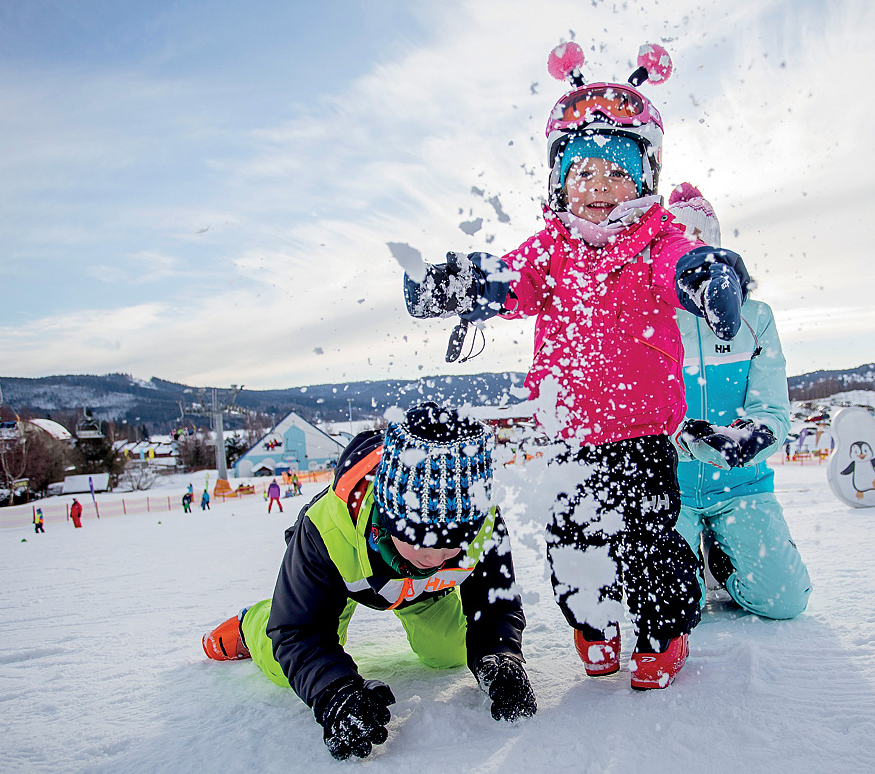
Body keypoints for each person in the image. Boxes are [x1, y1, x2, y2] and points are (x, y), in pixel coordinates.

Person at [403, 42, 751, 689]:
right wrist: (460, 283)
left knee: (648, 544)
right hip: (568, 436)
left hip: (642, 436)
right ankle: (594, 626)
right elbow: (509, 279)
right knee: (573, 543)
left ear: (645, 180)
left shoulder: (657, 241)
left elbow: (683, 267)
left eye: (617, 173)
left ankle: (661, 634)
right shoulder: (553, 248)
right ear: (558, 179)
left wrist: (709, 277)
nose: (598, 187)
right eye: (582, 171)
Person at [201, 403, 536, 760]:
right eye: (420, 540)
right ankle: (251, 624)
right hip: (343, 582)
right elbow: (299, 631)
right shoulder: (326, 529)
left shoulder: (482, 523)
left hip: (420, 591)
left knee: (451, 650)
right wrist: (336, 692)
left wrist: (501, 657)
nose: (435, 559)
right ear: (390, 514)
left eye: (454, 543)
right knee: (283, 666)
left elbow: (496, 605)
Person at [666, 184, 811, 620]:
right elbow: (637, 411)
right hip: (670, 489)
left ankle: (722, 561)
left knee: (784, 600)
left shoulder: (755, 317)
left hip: (742, 486)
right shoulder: (651, 318)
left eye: (699, 239)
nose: (690, 251)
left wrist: (752, 438)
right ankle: (689, 566)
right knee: (672, 610)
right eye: (678, 239)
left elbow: (773, 409)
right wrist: (683, 438)